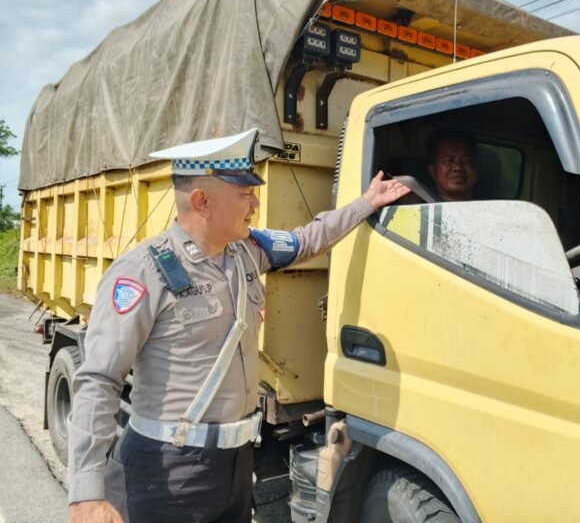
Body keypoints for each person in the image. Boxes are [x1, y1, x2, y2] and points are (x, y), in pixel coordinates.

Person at [67, 128, 410, 523]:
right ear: (202, 201)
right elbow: (98, 379)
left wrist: (366, 202)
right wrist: (86, 492)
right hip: (165, 472)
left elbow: (309, 239)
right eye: (244, 192)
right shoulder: (143, 271)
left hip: (234, 465)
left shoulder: (248, 253)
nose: (255, 201)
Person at [426, 127, 479, 201]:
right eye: (449, 161)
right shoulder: (417, 209)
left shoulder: (491, 209)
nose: (458, 167)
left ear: (476, 168)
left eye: (466, 161)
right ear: (433, 171)